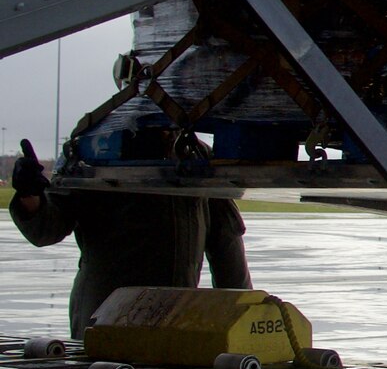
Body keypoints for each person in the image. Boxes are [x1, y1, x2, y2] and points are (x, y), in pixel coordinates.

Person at [9, 140, 251, 338]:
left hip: (175, 322)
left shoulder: (198, 157)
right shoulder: (93, 150)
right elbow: (46, 229)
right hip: (105, 322)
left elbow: (227, 248)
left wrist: (247, 318)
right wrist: (30, 196)